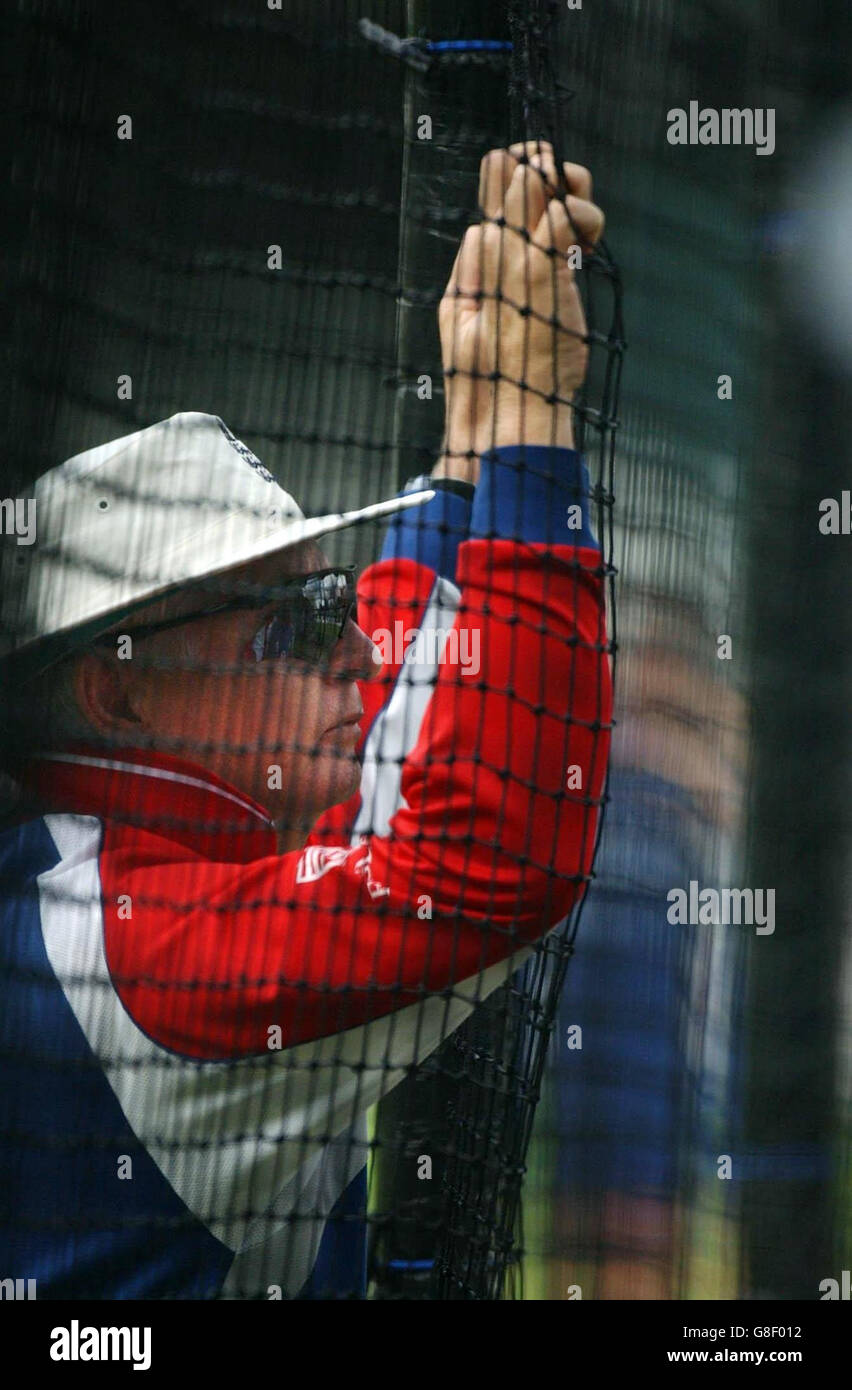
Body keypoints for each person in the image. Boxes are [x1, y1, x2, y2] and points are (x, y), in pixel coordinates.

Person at [0, 144, 612, 1298]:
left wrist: (476, 448)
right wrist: (536, 430)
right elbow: (493, 852)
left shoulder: (105, 873)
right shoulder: (141, 954)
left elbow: (392, 724)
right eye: (297, 622)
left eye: (334, 598)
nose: (357, 647)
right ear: (120, 691)